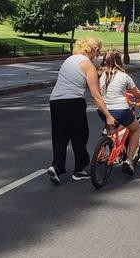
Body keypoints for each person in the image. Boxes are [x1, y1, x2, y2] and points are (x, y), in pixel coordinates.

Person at [47, 37, 116, 185]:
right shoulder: (88, 65)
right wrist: (108, 115)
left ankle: (56, 166)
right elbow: (96, 95)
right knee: (80, 135)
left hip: (55, 101)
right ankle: (80, 169)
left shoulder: (69, 60)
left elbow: (75, 77)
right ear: (93, 49)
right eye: (98, 51)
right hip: (74, 102)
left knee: (60, 136)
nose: (98, 55)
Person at [97, 49, 140, 175]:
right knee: (135, 128)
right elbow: (138, 93)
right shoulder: (124, 76)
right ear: (119, 60)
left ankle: (105, 149)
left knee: (110, 128)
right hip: (120, 111)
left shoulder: (101, 74)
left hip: (102, 110)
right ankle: (129, 160)